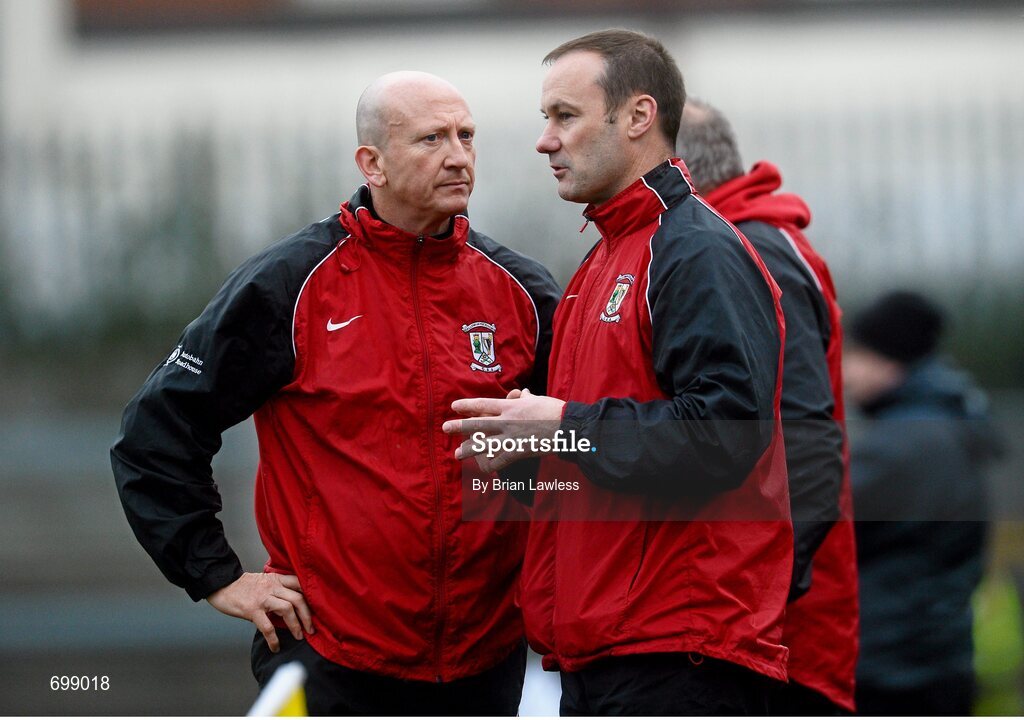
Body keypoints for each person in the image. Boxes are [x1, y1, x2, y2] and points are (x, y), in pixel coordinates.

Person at [110, 71, 560, 716]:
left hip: (484, 657)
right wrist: (218, 577)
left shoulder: (522, 291)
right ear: (370, 162)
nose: (458, 156)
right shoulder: (289, 284)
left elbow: (578, 445)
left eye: (467, 136)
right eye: (431, 138)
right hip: (330, 656)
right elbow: (156, 431)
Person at [444, 30, 792, 715]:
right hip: (606, 656)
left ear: (638, 117)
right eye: (546, 119)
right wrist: (525, 456)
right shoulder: (601, 261)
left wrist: (563, 422)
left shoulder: (693, 251)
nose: (546, 140)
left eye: (564, 116)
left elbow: (725, 435)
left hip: (681, 657)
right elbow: (612, 462)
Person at [678, 99, 858, 715]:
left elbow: (807, 449)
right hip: (761, 629)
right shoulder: (750, 239)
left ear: (674, 167)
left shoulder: (751, 250)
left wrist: (760, 598)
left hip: (776, 644)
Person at [846, 290, 1000, 716]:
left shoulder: (903, 445)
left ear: (889, 361)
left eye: (857, 354)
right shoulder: (948, 424)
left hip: (892, 669)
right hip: (938, 657)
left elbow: (819, 529)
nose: (846, 370)